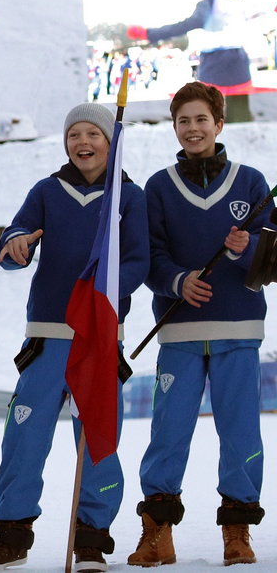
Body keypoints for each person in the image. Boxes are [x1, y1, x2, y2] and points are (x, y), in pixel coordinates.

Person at [0, 103, 149, 573]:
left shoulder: (128, 197)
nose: (83, 142)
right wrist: (16, 247)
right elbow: (16, 236)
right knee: (24, 437)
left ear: (111, 143)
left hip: (99, 334)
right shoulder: (48, 190)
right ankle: (12, 535)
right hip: (47, 334)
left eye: (94, 133)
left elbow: (138, 261)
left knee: (97, 441)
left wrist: (108, 288)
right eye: (75, 135)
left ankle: (91, 540)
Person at [126, 81, 268, 568]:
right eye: (183, 120)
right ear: (174, 127)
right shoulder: (159, 187)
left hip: (239, 329)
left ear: (219, 123)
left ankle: (237, 529)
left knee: (241, 432)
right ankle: (157, 532)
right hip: (180, 333)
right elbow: (149, 257)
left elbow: (274, 256)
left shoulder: (251, 183)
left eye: (201, 119)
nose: (192, 128)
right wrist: (177, 281)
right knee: (168, 431)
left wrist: (245, 248)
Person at [126, 0, 254, 120]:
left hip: (215, 61)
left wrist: (150, 33)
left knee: (208, 116)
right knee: (240, 116)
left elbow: (195, 21)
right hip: (239, 60)